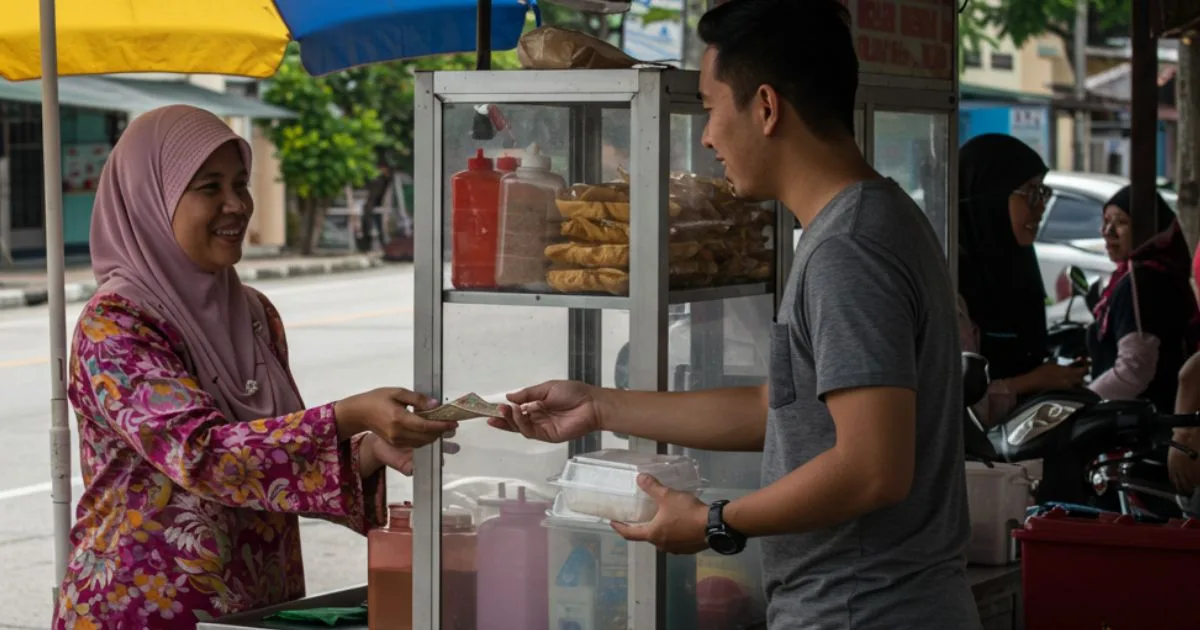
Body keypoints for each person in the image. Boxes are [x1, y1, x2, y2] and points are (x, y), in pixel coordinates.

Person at [492, 1, 980, 628]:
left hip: (864, 610)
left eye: (710, 106)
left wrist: (715, 521)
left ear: (767, 108)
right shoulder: (870, 220)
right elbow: (776, 410)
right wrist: (600, 404)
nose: (706, 135)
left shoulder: (848, 249)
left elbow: (871, 469)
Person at [54, 105, 458, 629]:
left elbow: (264, 455)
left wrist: (369, 450)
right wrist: (347, 416)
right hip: (143, 610)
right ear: (151, 199)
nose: (235, 205)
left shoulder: (254, 313)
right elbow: (202, 455)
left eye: (241, 184)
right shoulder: (116, 324)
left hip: (258, 605)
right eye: (208, 187)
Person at [956, 133, 1087, 427]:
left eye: (1043, 193)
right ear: (991, 196)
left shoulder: (1017, 263)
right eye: (1031, 193)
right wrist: (1034, 381)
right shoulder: (954, 282)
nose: (1040, 208)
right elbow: (962, 405)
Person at [1087, 185, 1198, 412]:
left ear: (1147, 229)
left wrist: (1080, 403)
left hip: (1140, 424)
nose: (1108, 231)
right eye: (1106, 221)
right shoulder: (1158, 272)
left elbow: (1134, 370)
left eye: (1121, 222)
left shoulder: (1142, 282)